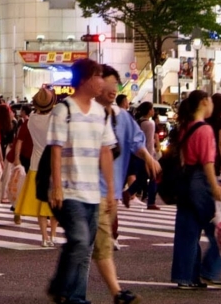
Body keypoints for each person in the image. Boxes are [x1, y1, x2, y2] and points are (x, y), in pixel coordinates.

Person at [47, 59, 117, 304]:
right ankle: (60, 287)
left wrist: (110, 191)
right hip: (68, 190)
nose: (103, 81)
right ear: (87, 79)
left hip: (92, 192)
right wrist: (56, 187)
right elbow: (56, 149)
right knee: (78, 239)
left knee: (85, 247)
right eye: (99, 76)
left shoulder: (100, 113)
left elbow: (105, 151)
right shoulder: (63, 110)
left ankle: (74, 296)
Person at [94, 65, 159, 304]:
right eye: (108, 84)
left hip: (108, 191)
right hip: (86, 190)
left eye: (115, 85)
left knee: (89, 247)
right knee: (96, 246)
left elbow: (134, 142)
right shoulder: (86, 113)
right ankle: (115, 293)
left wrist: (149, 157)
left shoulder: (122, 117)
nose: (113, 90)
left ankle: (67, 289)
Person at [170, 90, 221, 289]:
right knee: (220, 230)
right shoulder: (205, 129)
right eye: (210, 101)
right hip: (200, 182)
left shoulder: (185, 127)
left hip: (185, 181)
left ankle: (185, 276)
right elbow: (208, 163)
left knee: (187, 232)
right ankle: (209, 270)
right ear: (204, 102)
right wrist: (215, 187)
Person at [15, 88, 59, 245]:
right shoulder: (55, 119)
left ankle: (44, 237)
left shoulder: (31, 119)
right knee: (55, 203)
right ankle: (53, 235)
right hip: (54, 165)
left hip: (35, 165)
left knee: (40, 204)